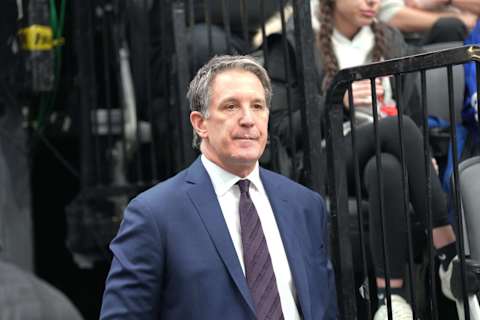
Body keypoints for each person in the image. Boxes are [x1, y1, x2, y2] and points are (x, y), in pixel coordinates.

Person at [100, 55, 337, 319]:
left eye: (257, 106)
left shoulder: (304, 205)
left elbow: (324, 309)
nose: (248, 119)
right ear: (200, 123)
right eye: (231, 107)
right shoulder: (154, 214)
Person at [377, 0, 478, 44]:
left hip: (471, 38)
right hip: (411, 45)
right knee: (451, 28)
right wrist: (460, 20)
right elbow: (390, 16)